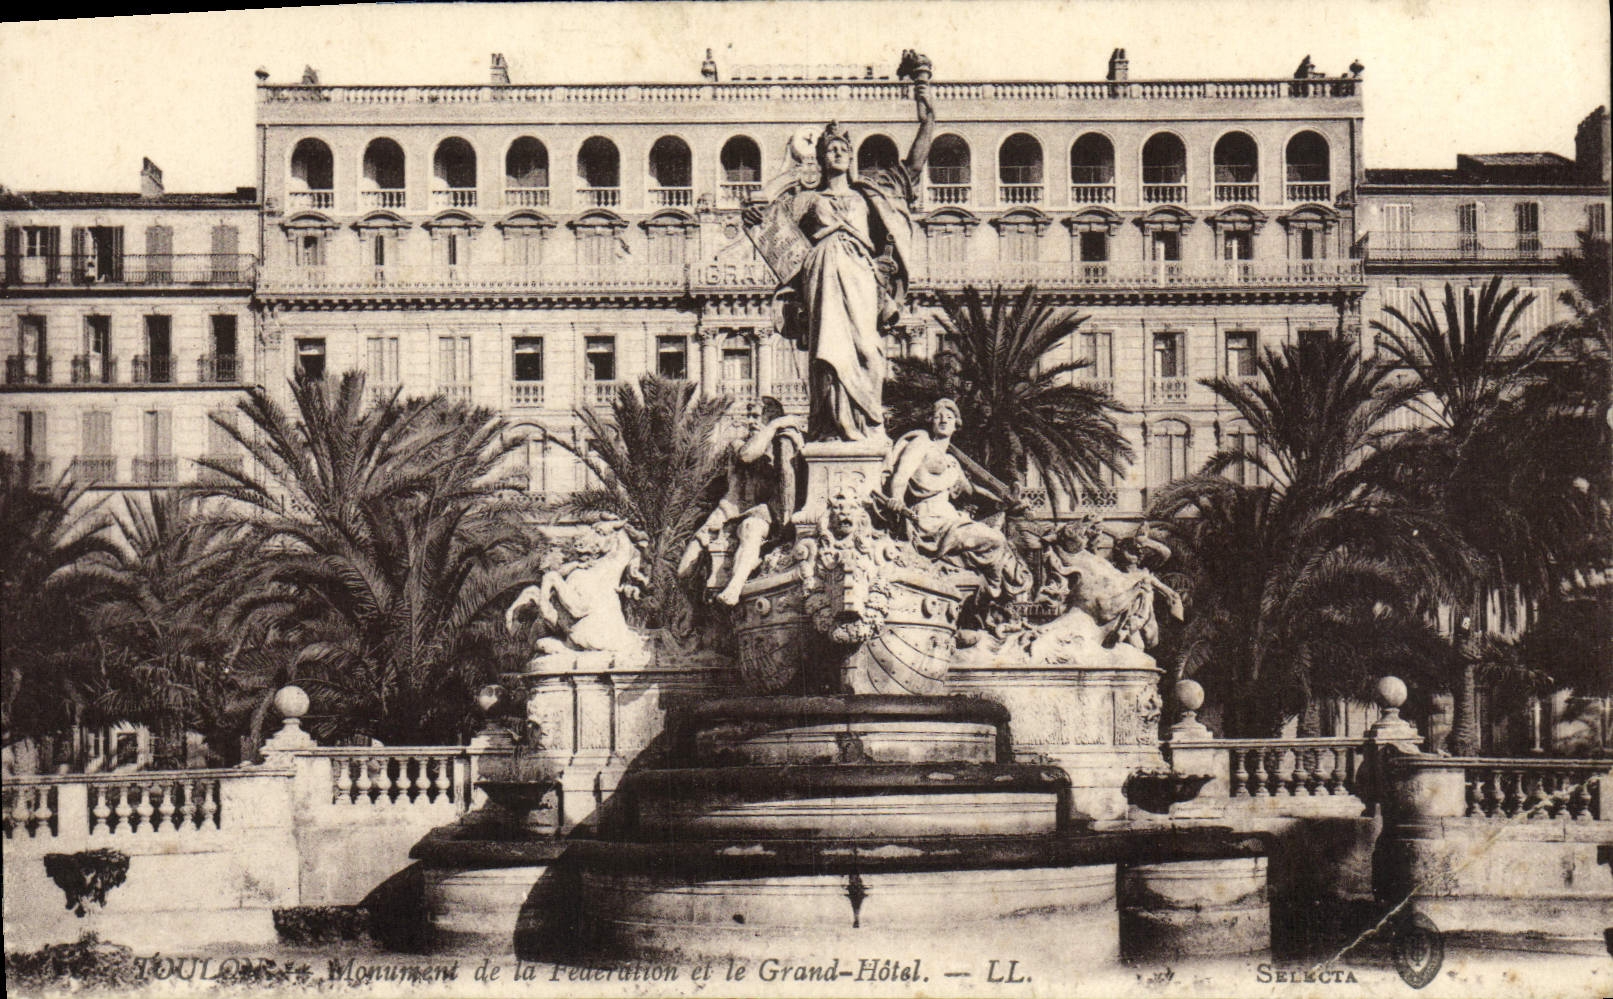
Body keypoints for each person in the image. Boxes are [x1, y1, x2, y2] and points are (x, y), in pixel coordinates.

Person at [745, 54, 934, 442]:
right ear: (819, 156)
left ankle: (866, 426)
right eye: (830, 148)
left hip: (862, 277)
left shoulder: (872, 192)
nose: (837, 153)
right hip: (821, 277)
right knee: (826, 355)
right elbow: (777, 238)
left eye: (843, 149)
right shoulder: (804, 201)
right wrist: (753, 217)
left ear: (851, 157)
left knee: (868, 350)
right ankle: (832, 428)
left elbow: (914, 165)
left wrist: (927, 113)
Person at [883, 398, 1024, 598]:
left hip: (950, 517)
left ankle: (994, 595)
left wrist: (1004, 501)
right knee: (996, 540)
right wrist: (896, 497)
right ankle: (991, 592)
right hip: (928, 518)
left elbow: (972, 492)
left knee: (1002, 547)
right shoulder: (921, 444)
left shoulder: (951, 462)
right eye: (939, 416)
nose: (943, 420)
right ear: (931, 420)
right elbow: (901, 475)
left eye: (949, 417)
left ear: (956, 425)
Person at [678, 397, 804, 605]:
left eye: (756, 416)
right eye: (749, 416)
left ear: (771, 416)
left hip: (760, 513)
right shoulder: (740, 444)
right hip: (727, 511)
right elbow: (747, 455)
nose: (750, 421)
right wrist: (773, 425)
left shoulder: (782, 446)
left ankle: (734, 588)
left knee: (750, 530)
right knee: (684, 569)